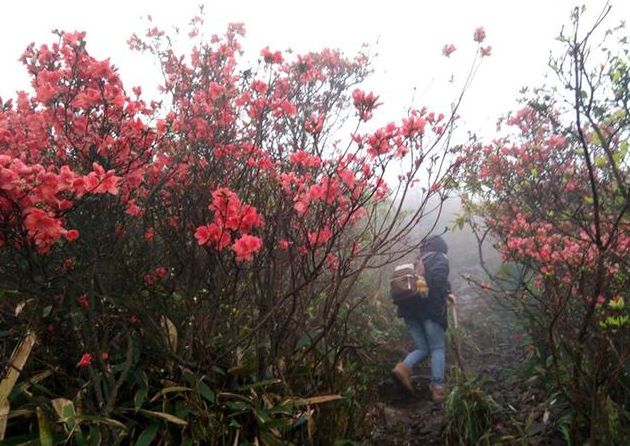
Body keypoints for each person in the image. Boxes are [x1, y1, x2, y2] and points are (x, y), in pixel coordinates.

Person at [392, 234, 451, 402]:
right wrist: (448, 292)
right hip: (429, 310)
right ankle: (438, 387)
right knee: (437, 348)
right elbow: (439, 279)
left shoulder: (414, 261)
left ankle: (403, 368)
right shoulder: (439, 257)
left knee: (423, 348)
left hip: (408, 311)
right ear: (441, 247)